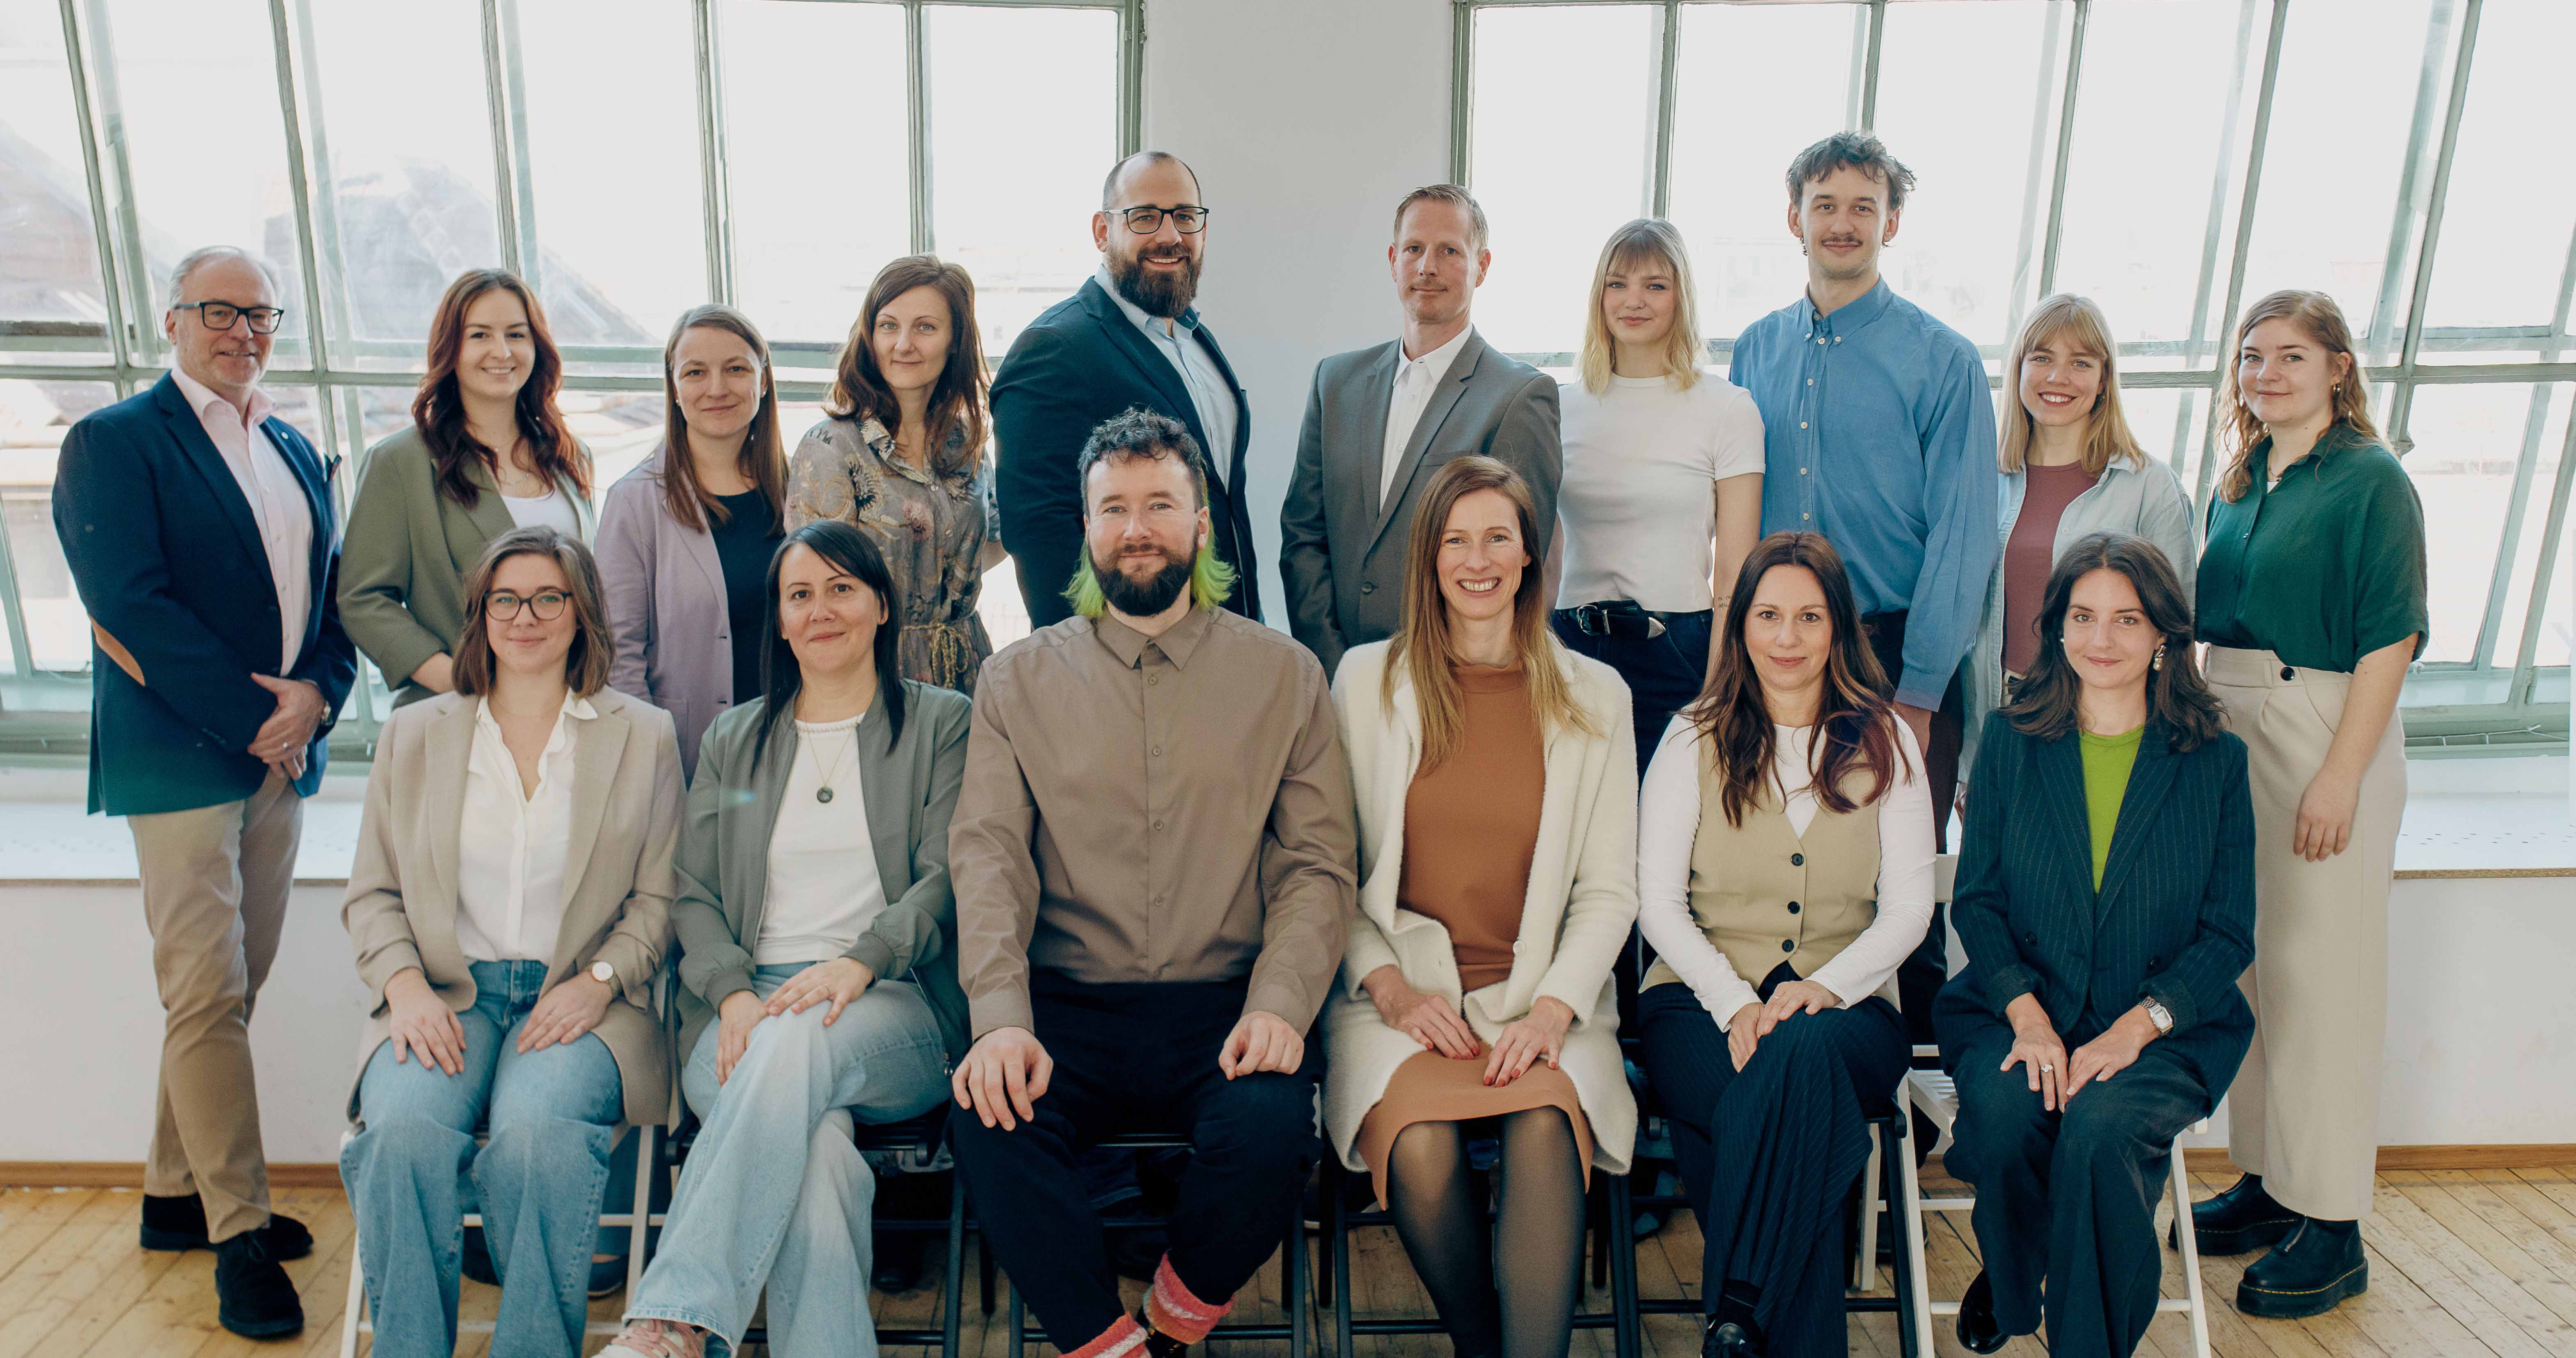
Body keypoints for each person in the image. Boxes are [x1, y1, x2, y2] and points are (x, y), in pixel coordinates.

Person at [947, 409, 1357, 1358]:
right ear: (1087, 528)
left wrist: (1281, 1005)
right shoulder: (1014, 682)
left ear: (1201, 523)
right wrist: (1000, 1016)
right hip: (1067, 1006)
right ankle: (1105, 1346)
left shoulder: (1287, 677)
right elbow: (989, 857)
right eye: (1115, 508)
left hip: (1226, 1004)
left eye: (1161, 505)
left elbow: (1315, 863)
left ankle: (1169, 1326)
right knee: (987, 1114)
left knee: (1272, 1128)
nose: (1137, 528)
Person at [50, 245, 356, 1339]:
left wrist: (316, 696)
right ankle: (239, 1231)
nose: (243, 331)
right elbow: (128, 604)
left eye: (261, 314)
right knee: (206, 991)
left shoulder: (291, 444)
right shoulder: (115, 441)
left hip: (279, 755)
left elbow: (331, 599)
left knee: (231, 984)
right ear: (171, 319)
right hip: (183, 756)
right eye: (220, 311)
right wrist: (253, 715)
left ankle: (174, 1193)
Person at [601, 521, 973, 1358]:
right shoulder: (735, 740)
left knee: (799, 1038)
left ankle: (672, 1317)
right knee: (818, 1158)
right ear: (779, 618)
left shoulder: (941, 724)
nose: (820, 610)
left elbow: (947, 876)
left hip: (893, 1002)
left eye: (842, 588)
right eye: (799, 594)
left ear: (882, 605)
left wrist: (861, 960)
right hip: (741, 1011)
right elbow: (694, 892)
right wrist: (733, 992)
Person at [337, 526, 681, 1358]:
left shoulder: (644, 734)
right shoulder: (414, 733)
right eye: (506, 599)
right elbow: (373, 893)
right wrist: (406, 988)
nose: (525, 617)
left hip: (584, 1001)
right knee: (402, 1135)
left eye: (548, 597)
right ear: (480, 615)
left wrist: (601, 979)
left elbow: (661, 897)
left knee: (537, 1137)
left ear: (582, 611)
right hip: (444, 995)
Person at [1324, 456, 1640, 1358]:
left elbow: (1608, 888)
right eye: (1456, 540)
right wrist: (1390, 991)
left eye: (1498, 537)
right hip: (1397, 1000)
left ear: (1531, 553)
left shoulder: (1598, 696)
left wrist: (1552, 1011)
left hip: (1543, 999)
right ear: (1428, 558)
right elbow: (1327, 871)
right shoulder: (1364, 682)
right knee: (1422, 1144)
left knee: (1544, 1126)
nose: (1478, 559)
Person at [1936, 533, 2256, 1358]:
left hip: (2163, 1028)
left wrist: (2135, 1027)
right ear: (2056, 626)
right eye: (2082, 616)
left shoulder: (2216, 761)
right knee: (2005, 1118)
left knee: (2100, 1128)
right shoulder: (2011, 741)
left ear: (2164, 637)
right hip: (2019, 1007)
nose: (2100, 639)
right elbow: (1977, 901)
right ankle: (2017, 1276)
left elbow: (2228, 932)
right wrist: (2028, 1017)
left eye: (2126, 619)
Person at [1631, 531, 1934, 1358]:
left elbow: (1910, 908)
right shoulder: (1690, 737)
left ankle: (1740, 1304)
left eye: (1809, 616)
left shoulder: (1889, 739)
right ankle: (1749, 1317)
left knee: (1795, 1060)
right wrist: (1735, 1002)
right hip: (1696, 1000)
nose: (1787, 637)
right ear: (1740, 626)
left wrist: (1827, 986)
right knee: (1796, 1103)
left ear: (1839, 628)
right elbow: (1657, 903)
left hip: (1851, 1008)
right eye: (1767, 615)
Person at [1728, 133, 1996, 1063]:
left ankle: (1904, 1092)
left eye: (1862, 207)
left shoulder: (1943, 360)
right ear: (1792, 217)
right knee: (1785, 861)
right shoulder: (1754, 350)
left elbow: (1963, 536)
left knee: (1899, 877)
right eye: (1824, 204)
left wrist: (1917, 692)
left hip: (1893, 649)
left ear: (1891, 222)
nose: (1841, 223)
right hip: (1776, 649)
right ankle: (1787, 1065)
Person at [2188, 289, 2426, 1319]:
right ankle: (2268, 1178)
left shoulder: (2371, 479)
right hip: (2231, 726)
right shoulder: (2240, 479)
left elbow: (2391, 637)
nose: (2267, 373)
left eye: (2291, 354)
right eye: (2252, 355)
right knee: (2254, 968)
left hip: (2323, 727)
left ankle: (2331, 1223)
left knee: (2324, 982)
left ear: (2338, 367)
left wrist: (2339, 773)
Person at [1282, 183, 1562, 677]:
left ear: (1482, 266)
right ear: (1394, 261)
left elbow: (1515, 565)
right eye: (1414, 248)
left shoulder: (1519, 396)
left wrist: (1443, 681)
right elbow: (1303, 535)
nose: (1427, 266)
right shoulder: (1335, 382)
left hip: (1452, 681)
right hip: (1338, 676)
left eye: (1449, 251)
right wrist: (1337, 668)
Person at [993, 151, 1262, 630]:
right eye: (1144, 217)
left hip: (1227, 636)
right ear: (1103, 231)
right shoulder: (1053, 349)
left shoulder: (1195, 339)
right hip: (1131, 656)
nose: (1169, 235)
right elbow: (1041, 538)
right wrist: (1100, 662)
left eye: (1185, 216)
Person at [1551, 218, 1764, 774]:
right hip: (1569, 649)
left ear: (1681, 298)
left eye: (1655, 285)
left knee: (1662, 821)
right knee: (1573, 820)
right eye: (1617, 283)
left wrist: (1719, 686)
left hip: (1677, 651)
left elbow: (1734, 573)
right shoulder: (1557, 406)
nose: (1634, 300)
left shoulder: (1728, 408)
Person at [1960, 295, 2196, 785]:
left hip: (2106, 719)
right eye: (2041, 358)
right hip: (1997, 712)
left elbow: (2178, 626)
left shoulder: (2149, 485)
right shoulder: (1983, 480)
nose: (2058, 377)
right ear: (2018, 369)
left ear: (2104, 379)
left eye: (2081, 363)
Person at [342, 268, 595, 709]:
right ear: (451, 348)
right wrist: (457, 681)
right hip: (460, 709)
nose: (502, 351)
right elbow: (362, 598)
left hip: (568, 705)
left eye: (516, 334)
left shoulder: (570, 456)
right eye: (479, 335)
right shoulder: (401, 462)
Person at [786, 254, 1002, 694]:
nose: (903, 344)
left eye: (925, 327)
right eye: (888, 326)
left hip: (967, 663)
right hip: (873, 668)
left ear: (955, 341)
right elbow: (814, 589)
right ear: (870, 337)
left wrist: (942, 585)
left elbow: (993, 540)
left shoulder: (967, 442)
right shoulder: (829, 448)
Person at [598, 305, 789, 777]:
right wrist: (654, 761)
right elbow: (618, 655)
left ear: (764, 380)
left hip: (793, 746)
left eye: (736, 369)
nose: (717, 388)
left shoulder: (800, 491)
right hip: (687, 757)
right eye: (696, 372)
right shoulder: (634, 503)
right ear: (675, 389)